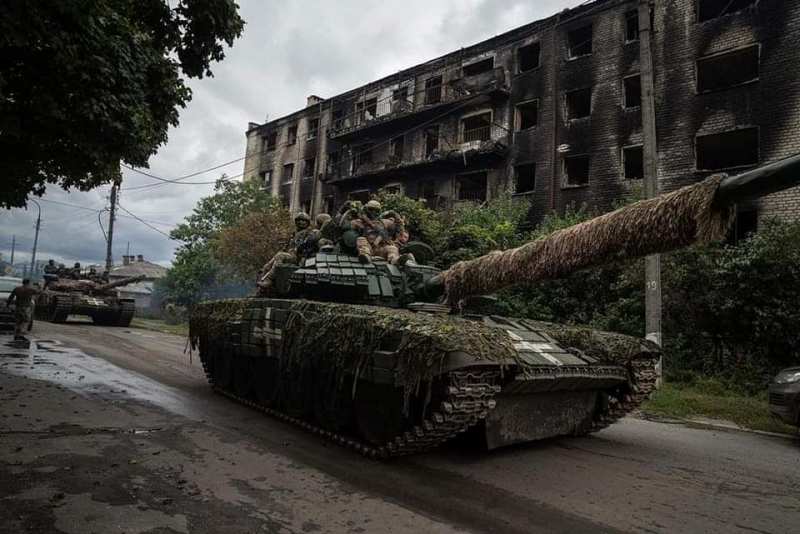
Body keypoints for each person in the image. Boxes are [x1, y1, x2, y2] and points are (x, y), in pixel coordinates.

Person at [256, 212, 316, 294]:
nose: (301, 222)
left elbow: (307, 246)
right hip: (288, 255)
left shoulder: (309, 234)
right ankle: (262, 284)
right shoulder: (293, 235)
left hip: (298, 257)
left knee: (280, 256)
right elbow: (285, 247)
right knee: (268, 264)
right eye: (299, 220)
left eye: (303, 220)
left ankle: (269, 280)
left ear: (307, 223)